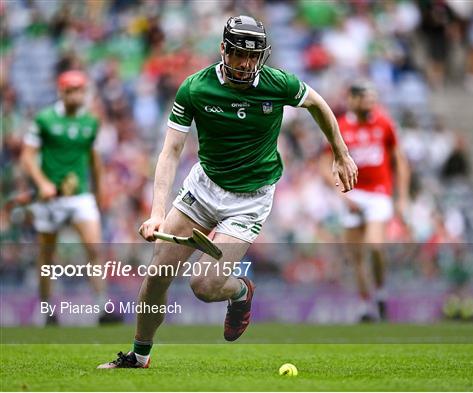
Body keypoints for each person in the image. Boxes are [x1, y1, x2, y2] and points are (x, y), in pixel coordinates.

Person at [98, 15, 357, 369]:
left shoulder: (277, 82)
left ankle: (240, 291)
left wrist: (340, 153)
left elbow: (318, 103)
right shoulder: (195, 88)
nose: (247, 63)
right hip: (203, 190)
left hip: (249, 200)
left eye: (253, 56)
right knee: (158, 271)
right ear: (223, 50)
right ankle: (139, 356)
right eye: (238, 54)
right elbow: (171, 152)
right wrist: (157, 212)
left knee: (204, 285)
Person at [20, 70, 117, 325]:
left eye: (80, 90)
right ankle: (46, 310)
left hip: (80, 195)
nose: (76, 95)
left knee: (94, 248)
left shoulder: (90, 122)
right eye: (71, 90)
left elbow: (95, 162)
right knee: (47, 256)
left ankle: (102, 307)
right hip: (50, 197)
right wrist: (42, 183)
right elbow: (27, 156)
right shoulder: (44, 119)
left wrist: (100, 192)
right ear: (61, 92)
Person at [322, 81, 409, 322]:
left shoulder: (383, 123)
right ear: (351, 99)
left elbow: (399, 161)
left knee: (375, 246)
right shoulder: (340, 127)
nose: (370, 103)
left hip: (379, 193)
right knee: (356, 256)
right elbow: (323, 164)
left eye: (372, 98)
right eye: (365, 98)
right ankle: (364, 306)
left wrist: (402, 197)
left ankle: (380, 292)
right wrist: (343, 195)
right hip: (353, 193)